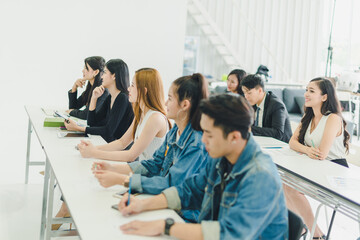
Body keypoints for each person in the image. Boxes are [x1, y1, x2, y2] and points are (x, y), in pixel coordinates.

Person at [117, 94, 288, 240]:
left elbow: (228, 234)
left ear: (234, 137)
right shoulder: (221, 158)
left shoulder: (260, 176)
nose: (203, 139)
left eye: (209, 134)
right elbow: (190, 190)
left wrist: (165, 226)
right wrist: (143, 205)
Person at [92, 73, 209, 222]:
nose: (166, 103)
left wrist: (121, 179)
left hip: (183, 216)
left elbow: (171, 184)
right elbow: (154, 165)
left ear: (185, 105)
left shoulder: (196, 144)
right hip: (164, 203)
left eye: (170, 98)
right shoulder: (174, 132)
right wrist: (113, 169)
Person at [285, 77, 350, 239]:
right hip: (314, 168)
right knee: (283, 182)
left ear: (324, 97)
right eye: (306, 89)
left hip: (334, 171)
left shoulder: (333, 118)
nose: (306, 94)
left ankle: (317, 234)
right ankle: (300, 228)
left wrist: (306, 151)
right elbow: (292, 142)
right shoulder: (308, 117)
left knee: (291, 188)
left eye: (311, 91)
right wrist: (307, 150)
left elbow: (321, 153)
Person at [78, 68, 170, 162]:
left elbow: (131, 156)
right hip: (141, 170)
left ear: (144, 91)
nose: (128, 89)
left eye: (132, 85)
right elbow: (122, 143)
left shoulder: (155, 118)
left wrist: (94, 152)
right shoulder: (141, 113)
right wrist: (94, 148)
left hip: (149, 175)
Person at [65, 59, 134, 143]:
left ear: (114, 76)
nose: (102, 76)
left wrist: (78, 128)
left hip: (119, 150)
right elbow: (92, 122)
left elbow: (109, 131)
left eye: (105, 72)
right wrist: (94, 98)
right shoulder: (110, 98)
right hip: (108, 143)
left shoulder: (122, 98)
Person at [241, 74, 292, 143]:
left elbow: (278, 133)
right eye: (244, 93)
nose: (246, 96)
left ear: (260, 90)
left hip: (280, 145)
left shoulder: (276, 105)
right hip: (262, 142)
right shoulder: (253, 102)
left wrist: (250, 129)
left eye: (249, 93)